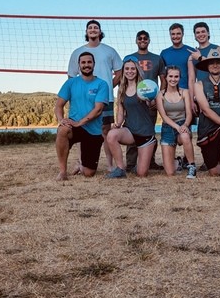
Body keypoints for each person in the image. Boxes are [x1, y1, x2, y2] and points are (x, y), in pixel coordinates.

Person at [67, 20, 122, 171]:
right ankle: (81, 163)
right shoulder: (77, 52)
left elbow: (119, 73)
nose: (93, 29)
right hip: (84, 100)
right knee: (82, 129)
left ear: (100, 31)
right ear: (86, 32)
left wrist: (106, 88)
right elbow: (71, 77)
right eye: (90, 28)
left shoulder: (109, 51)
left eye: (96, 27)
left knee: (106, 131)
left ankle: (110, 165)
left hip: (105, 99)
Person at [54, 51, 109, 181]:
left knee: (88, 173)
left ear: (94, 64)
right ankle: (63, 172)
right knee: (63, 130)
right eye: (83, 62)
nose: (86, 65)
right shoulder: (71, 83)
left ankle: (81, 165)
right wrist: (61, 120)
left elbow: (98, 110)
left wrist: (80, 122)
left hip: (93, 130)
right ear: (79, 65)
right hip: (74, 126)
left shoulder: (102, 84)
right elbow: (58, 106)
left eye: (89, 62)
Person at [123, 30, 166, 171]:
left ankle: (150, 161)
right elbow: (123, 78)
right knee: (131, 128)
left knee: (149, 131)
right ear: (136, 40)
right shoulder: (129, 58)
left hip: (150, 102)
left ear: (149, 40)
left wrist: (158, 98)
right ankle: (131, 163)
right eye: (140, 38)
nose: (142, 40)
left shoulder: (157, 58)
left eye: (145, 38)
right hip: (132, 101)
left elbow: (163, 80)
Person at [106, 59, 156, 178]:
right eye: (127, 69)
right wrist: (118, 124)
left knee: (141, 173)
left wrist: (150, 100)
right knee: (111, 135)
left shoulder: (144, 86)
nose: (130, 71)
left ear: (137, 70)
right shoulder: (122, 89)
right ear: (123, 71)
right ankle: (120, 169)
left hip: (145, 133)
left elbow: (152, 104)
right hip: (130, 131)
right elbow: (121, 111)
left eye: (133, 68)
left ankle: (138, 166)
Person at [156, 65, 196, 179]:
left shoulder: (184, 92)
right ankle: (178, 161)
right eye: (171, 76)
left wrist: (185, 125)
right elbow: (164, 116)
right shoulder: (160, 95)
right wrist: (177, 127)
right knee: (170, 172)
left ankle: (191, 166)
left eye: (176, 76)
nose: (173, 79)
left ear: (179, 78)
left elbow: (189, 114)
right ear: (166, 77)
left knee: (185, 135)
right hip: (168, 128)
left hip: (182, 123)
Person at [160, 23, 196, 92]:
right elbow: (163, 76)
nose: (175, 36)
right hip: (169, 93)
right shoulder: (164, 53)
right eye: (173, 34)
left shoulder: (191, 51)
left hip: (187, 92)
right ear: (170, 35)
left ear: (183, 34)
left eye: (178, 33)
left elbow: (194, 75)